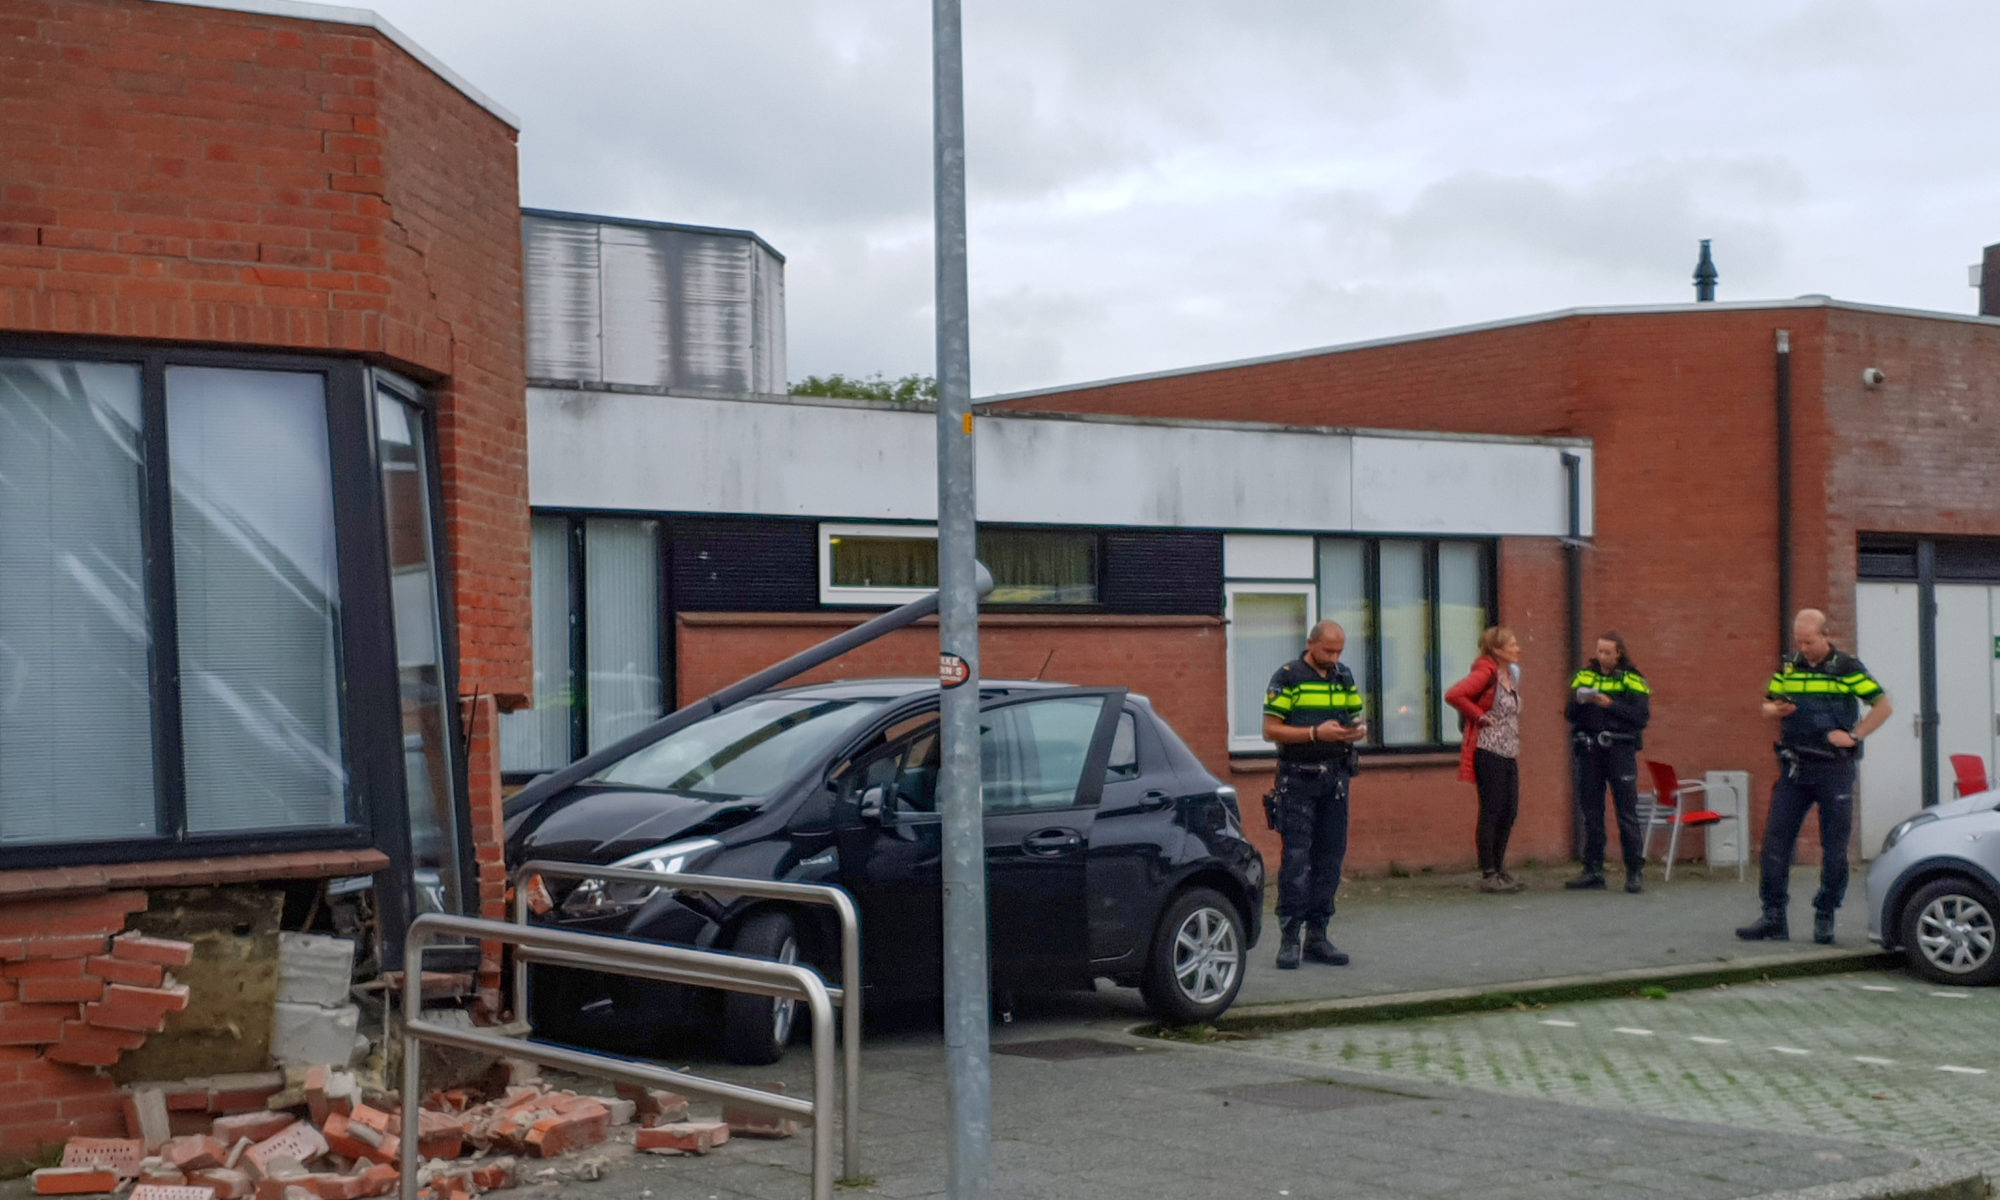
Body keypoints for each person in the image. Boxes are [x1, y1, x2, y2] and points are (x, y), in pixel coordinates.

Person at [1736, 608, 1893, 944]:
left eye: (1809, 641)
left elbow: (1883, 706)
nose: (1803, 648)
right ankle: (1773, 917)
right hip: (1795, 768)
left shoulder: (1846, 668)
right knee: (1775, 843)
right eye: (1799, 641)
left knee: (1834, 849)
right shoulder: (1790, 665)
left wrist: (1855, 736)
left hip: (1833, 769)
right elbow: (1766, 705)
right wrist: (1776, 709)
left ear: (1825, 636)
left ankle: (1826, 914)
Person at [1261, 620, 1367, 969]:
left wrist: (1357, 731)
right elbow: (1270, 729)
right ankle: (1289, 937)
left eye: (1339, 651)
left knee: (1330, 859)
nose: (1334, 657)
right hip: (1298, 779)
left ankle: (1318, 937)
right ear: (1311, 644)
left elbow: (1355, 715)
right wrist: (1314, 733)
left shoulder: (1343, 676)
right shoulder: (1288, 677)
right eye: (1328, 651)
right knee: (1296, 860)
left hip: (1335, 779)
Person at [1564, 632, 1652, 894]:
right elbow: (1569, 713)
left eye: (1606, 652)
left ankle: (1634, 871)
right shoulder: (1585, 676)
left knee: (1626, 811)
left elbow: (1640, 717)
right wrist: (1581, 702)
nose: (1601, 656)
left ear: (1618, 654)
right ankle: (1593, 870)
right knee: (1591, 812)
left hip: (1619, 749)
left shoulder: (1633, 679)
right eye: (1599, 651)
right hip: (1590, 750)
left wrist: (1609, 703)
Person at [1446, 627, 1524, 894]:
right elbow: (1454, 694)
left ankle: (1500, 868)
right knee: (1492, 809)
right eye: (1512, 645)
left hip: (1509, 749)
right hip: (1488, 749)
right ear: (1497, 651)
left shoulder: (1511, 675)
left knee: (1510, 809)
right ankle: (1489, 872)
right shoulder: (1485, 672)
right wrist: (1478, 714)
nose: (1518, 648)